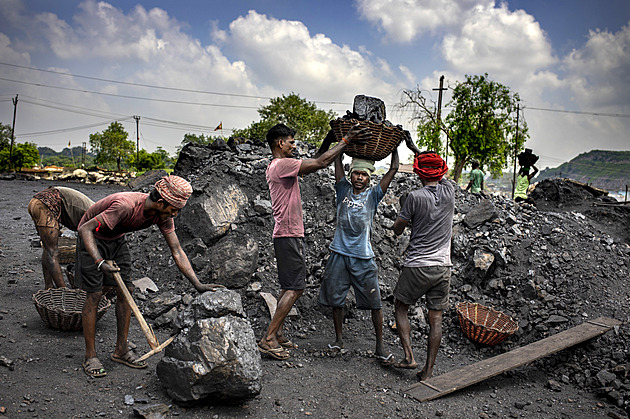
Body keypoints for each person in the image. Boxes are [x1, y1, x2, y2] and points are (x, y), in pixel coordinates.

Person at [76, 175, 222, 377]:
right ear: (161, 202)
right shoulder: (125, 206)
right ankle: (90, 356)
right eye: (174, 210)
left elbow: (177, 250)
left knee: (126, 292)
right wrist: (99, 262)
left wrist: (198, 284)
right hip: (92, 238)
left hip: (116, 240)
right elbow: (85, 228)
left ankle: (121, 349)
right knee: (95, 294)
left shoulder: (162, 215)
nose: (176, 214)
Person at [258, 122, 366, 360]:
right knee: (296, 288)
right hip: (288, 233)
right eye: (291, 142)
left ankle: (278, 333)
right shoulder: (281, 165)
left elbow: (315, 161)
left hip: (286, 233)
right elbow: (321, 163)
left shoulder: (278, 166)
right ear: (280, 143)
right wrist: (346, 140)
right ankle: (268, 338)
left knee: (288, 286)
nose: (294, 146)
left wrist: (330, 139)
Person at [318, 150, 399, 359]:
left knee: (375, 302)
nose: (360, 178)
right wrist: (342, 141)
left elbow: (394, 169)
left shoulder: (373, 195)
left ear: (369, 177)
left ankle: (380, 346)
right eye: (356, 174)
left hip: (363, 256)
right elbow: (337, 160)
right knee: (336, 300)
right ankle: (338, 340)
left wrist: (396, 147)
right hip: (338, 254)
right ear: (351, 174)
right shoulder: (343, 189)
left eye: (364, 175)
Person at [387, 151, 454, 381]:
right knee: (436, 319)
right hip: (443, 266)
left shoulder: (415, 197)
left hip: (417, 265)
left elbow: (398, 228)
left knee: (400, 306)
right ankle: (428, 371)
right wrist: (419, 152)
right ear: (441, 171)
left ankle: (408, 356)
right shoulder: (450, 191)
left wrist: (402, 222)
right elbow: (442, 173)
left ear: (418, 172)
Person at [27, 186, 94, 289]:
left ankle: (49, 286)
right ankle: (62, 290)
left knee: (47, 247)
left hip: (36, 202)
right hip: (44, 205)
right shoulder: (95, 217)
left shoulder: (95, 212)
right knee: (52, 252)